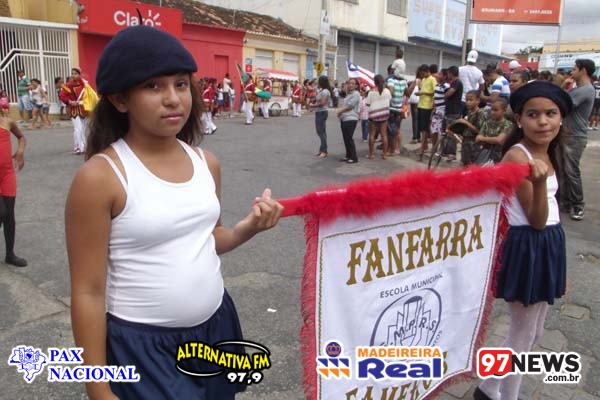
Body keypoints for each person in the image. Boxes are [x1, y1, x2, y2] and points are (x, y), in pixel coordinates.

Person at [65, 26, 283, 400]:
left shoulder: (206, 163)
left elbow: (209, 239)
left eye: (181, 84)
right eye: (153, 86)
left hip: (215, 328)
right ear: (119, 99)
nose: (173, 99)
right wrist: (98, 388)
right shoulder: (101, 178)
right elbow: (87, 291)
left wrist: (249, 227)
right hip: (143, 347)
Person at [474, 80, 572, 400]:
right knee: (522, 335)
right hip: (528, 245)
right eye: (533, 114)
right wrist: (539, 184)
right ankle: (507, 395)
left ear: (561, 118)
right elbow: (536, 219)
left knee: (535, 332)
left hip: (547, 246)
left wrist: (557, 264)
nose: (542, 121)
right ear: (519, 119)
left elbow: (553, 213)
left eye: (550, 113)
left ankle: (488, 387)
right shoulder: (518, 157)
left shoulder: (550, 152)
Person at [560, 59, 595, 221]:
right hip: (568, 134)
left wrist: (562, 88)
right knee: (564, 170)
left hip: (574, 136)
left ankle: (578, 205)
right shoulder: (578, 89)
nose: (571, 72)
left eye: (575, 69)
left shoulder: (585, 90)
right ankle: (566, 202)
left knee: (571, 171)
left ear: (583, 70)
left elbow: (563, 103)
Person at [0, 112, 27, 267]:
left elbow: (21, 137)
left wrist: (20, 151)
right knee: (2, 212)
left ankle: (10, 254)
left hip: (7, 174)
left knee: (9, 214)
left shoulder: (7, 122)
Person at [474, 98, 513, 165]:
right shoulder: (487, 123)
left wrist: (483, 139)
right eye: (491, 109)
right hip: (485, 153)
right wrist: (491, 140)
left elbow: (499, 140)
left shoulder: (507, 124)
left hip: (500, 155)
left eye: (496, 110)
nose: (492, 112)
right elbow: (477, 139)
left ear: (504, 111)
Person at [59, 67, 89, 154]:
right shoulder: (68, 85)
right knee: (78, 128)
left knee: (83, 128)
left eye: (75, 73)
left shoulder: (84, 84)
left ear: (79, 74)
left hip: (83, 109)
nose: (73, 75)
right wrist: (70, 102)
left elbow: (89, 94)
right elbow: (62, 95)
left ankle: (80, 145)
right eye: (72, 73)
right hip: (74, 110)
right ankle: (79, 147)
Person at [454, 90, 486, 166]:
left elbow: (479, 131)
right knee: (465, 165)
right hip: (466, 144)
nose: (468, 102)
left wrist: (466, 123)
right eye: (467, 100)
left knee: (472, 166)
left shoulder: (480, 113)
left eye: (471, 100)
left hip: (474, 145)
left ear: (478, 101)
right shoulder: (470, 112)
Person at [365, 74, 392, 159]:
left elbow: (367, 103)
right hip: (384, 114)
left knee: (372, 134)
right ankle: (384, 154)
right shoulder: (387, 91)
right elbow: (390, 100)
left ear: (375, 82)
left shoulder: (371, 92)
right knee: (384, 134)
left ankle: (371, 154)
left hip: (373, 115)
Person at [336, 78, 360, 164]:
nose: (350, 85)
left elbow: (350, 106)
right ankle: (348, 155)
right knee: (346, 138)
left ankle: (354, 157)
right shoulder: (348, 94)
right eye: (349, 83)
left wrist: (340, 111)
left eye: (353, 83)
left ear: (356, 86)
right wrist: (340, 113)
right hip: (344, 118)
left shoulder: (356, 94)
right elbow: (344, 104)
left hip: (351, 118)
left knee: (349, 138)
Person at [443, 66, 464, 161]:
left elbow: (449, 93)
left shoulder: (457, 83)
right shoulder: (452, 83)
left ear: (451, 73)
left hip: (454, 111)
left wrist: (445, 94)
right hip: (449, 110)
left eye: (448, 73)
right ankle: (446, 151)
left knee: (452, 133)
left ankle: (452, 153)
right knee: (447, 132)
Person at [387, 64, 408, 155]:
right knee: (396, 130)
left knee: (390, 131)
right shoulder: (404, 82)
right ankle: (395, 148)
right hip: (399, 109)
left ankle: (390, 150)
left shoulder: (391, 80)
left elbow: (391, 92)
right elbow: (407, 93)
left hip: (391, 108)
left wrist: (387, 90)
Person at [415, 64, 436, 158]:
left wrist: (424, 93)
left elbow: (434, 92)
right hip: (421, 104)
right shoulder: (423, 80)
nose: (422, 75)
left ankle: (423, 147)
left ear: (427, 71)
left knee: (425, 128)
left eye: (423, 73)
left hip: (427, 106)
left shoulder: (432, 79)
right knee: (421, 127)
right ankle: (425, 145)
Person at [308, 76, 331, 158]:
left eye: (318, 81)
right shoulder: (322, 91)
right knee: (321, 132)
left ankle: (324, 151)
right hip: (320, 112)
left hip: (322, 112)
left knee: (321, 132)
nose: (317, 82)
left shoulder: (325, 91)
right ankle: (322, 150)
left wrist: (313, 105)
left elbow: (322, 103)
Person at [459, 50, 485, 115]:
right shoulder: (479, 72)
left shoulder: (460, 69)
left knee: (458, 118)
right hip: (472, 100)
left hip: (460, 98)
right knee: (469, 118)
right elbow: (482, 87)